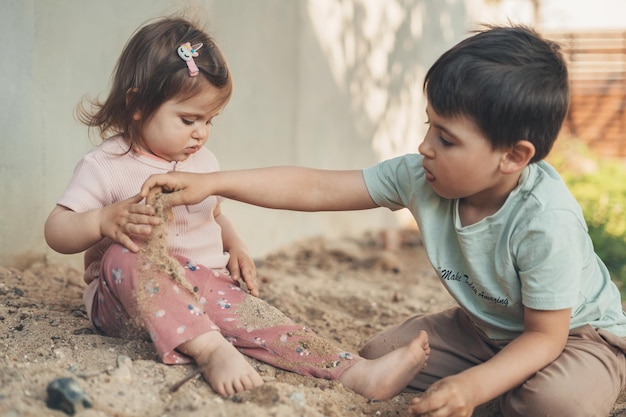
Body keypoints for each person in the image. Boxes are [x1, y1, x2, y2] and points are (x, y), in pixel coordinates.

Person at [139, 24, 626, 417]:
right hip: (485, 329)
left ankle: (546, 387)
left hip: (576, 338)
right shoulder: (421, 177)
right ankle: (498, 387)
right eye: (428, 125)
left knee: (552, 403)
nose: (425, 146)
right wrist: (215, 183)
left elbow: (546, 336)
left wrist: (473, 386)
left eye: (447, 138)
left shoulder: (545, 221)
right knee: (376, 356)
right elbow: (315, 187)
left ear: (513, 157)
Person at [44, 15, 430, 400]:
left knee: (265, 322)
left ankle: (356, 372)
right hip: (127, 302)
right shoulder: (107, 165)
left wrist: (237, 246)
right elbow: (57, 230)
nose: (201, 132)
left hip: (207, 288)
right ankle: (211, 350)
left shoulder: (204, 163)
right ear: (137, 105)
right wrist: (101, 220)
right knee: (122, 254)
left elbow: (214, 216)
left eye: (210, 120)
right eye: (189, 119)